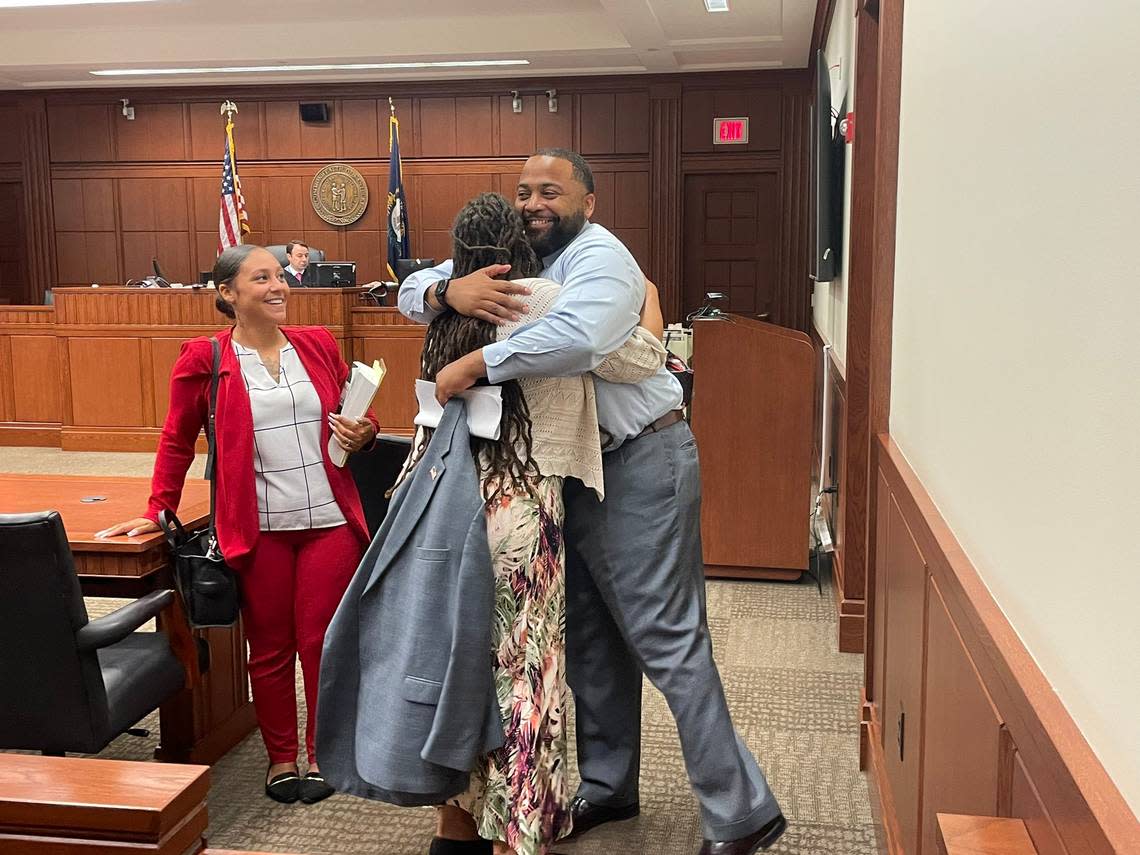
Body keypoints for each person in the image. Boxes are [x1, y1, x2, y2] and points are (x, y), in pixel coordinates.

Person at [400, 150, 786, 855]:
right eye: (522, 192)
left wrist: (477, 360)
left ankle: (741, 810)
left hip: (640, 458)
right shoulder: (522, 259)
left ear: (590, 201)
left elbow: (579, 338)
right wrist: (445, 294)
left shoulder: (602, 258)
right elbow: (411, 284)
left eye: (551, 190)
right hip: (568, 472)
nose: (533, 202)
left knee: (666, 637)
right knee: (591, 642)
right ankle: (610, 786)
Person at [396, 192, 665, 855]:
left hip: (449, 507)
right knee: (527, 674)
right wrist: (648, 299)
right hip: (518, 512)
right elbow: (640, 358)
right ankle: (520, 830)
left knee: (463, 664)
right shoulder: (541, 302)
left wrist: (441, 289)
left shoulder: (447, 314)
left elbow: (409, 290)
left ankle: (454, 825)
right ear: (522, 243)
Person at [96, 244, 377, 806]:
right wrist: (158, 509)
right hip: (259, 527)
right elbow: (177, 439)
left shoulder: (317, 344)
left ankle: (324, 753)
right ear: (227, 293)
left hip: (328, 519)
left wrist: (363, 429)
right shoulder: (207, 358)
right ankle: (281, 757)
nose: (279, 286)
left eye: (280, 276)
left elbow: (357, 409)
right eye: (262, 278)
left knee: (322, 641)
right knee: (270, 648)